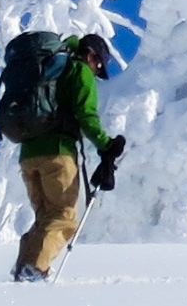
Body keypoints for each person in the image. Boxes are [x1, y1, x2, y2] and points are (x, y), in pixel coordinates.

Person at [14, 33, 123, 283]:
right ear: (91, 55)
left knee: (45, 217)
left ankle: (24, 273)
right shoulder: (79, 71)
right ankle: (34, 271)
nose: (96, 71)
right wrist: (106, 145)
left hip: (28, 154)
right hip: (58, 153)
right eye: (98, 65)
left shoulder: (51, 70)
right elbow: (86, 114)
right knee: (62, 216)